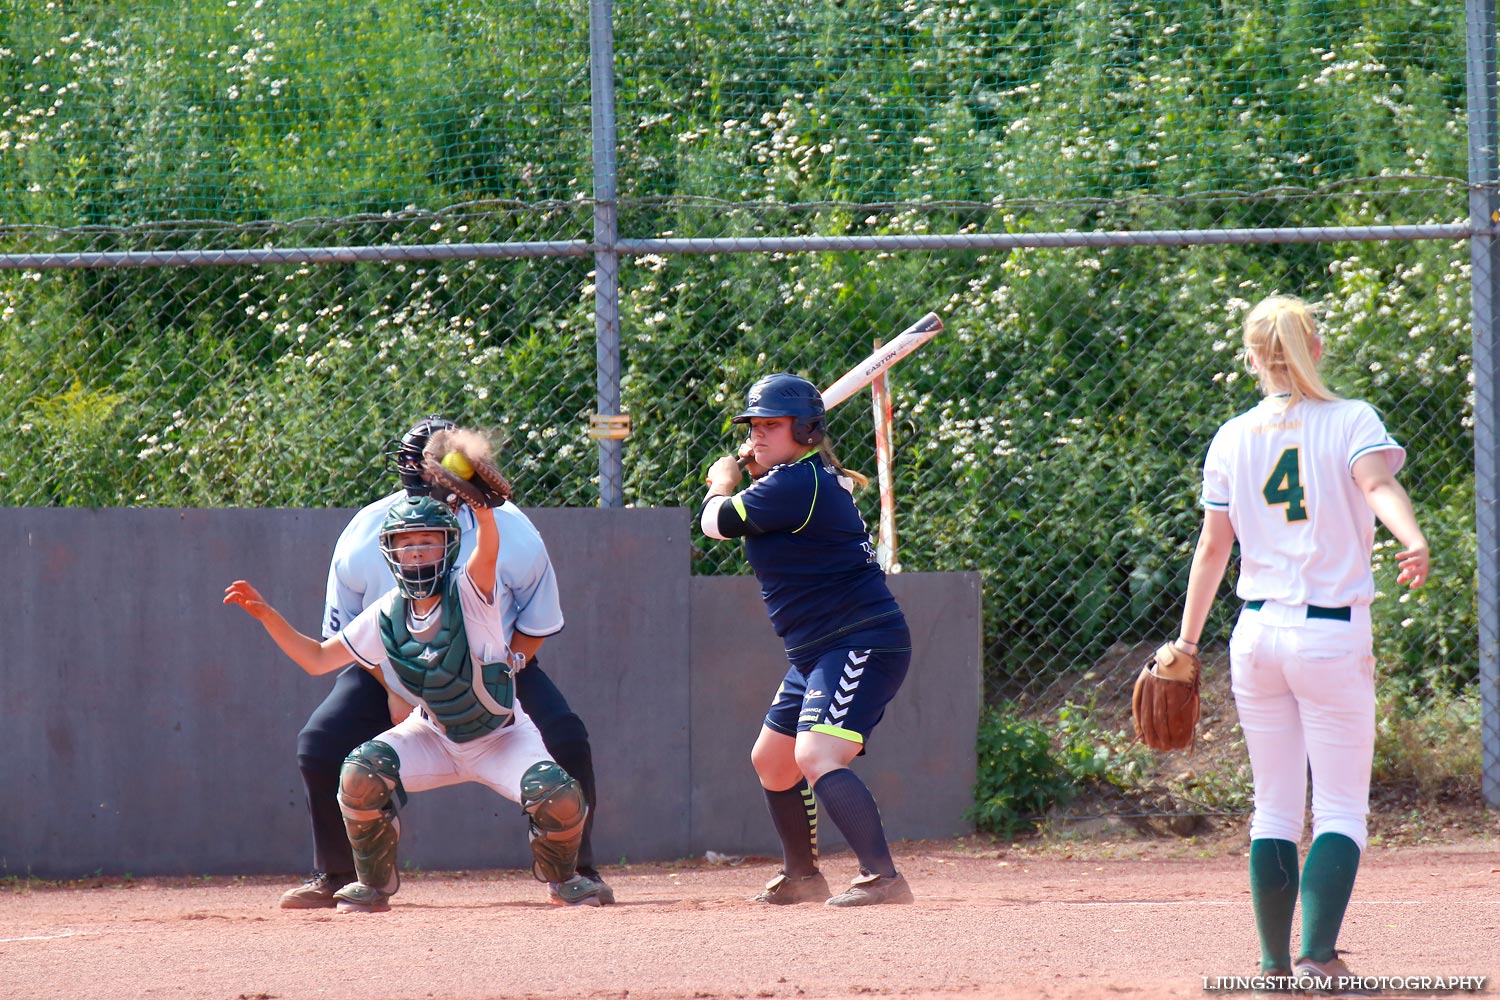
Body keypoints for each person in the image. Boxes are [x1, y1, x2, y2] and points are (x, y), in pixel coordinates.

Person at [1168, 295, 1429, 982]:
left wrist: (1187, 644)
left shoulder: (1232, 435)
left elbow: (1212, 548)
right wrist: (1413, 538)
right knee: (1339, 805)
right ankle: (1318, 958)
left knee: (1274, 805)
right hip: (1331, 634)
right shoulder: (1350, 420)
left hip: (1254, 635)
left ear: (1253, 359)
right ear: (1316, 348)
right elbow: (1377, 484)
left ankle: (1273, 966)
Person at [225, 479, 605, 912]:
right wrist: (267, 615)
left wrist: (482, 511)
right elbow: (316, 659)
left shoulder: (470, 591)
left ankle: (565, 879)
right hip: (432, 735)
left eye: (429, 541)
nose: (418, 551)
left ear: (450, 547)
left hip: (500, 737)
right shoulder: (387, 610)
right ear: (390, 552)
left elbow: (487, 553)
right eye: (407, 543)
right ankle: (372, 882)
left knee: (555, 793)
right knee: (360, 773)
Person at [699, 372, 915, 907]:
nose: (759, 435)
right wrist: (753, 472)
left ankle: (883, 878)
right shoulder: (798, 481)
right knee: (773, 761)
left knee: (817, 754)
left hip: (861, 640)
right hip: (818, 650)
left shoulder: (799, 484)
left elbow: (717, 522)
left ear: (807, 430)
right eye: (754, 426)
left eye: (773, 426)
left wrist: (722, 480)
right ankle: (802, 877)